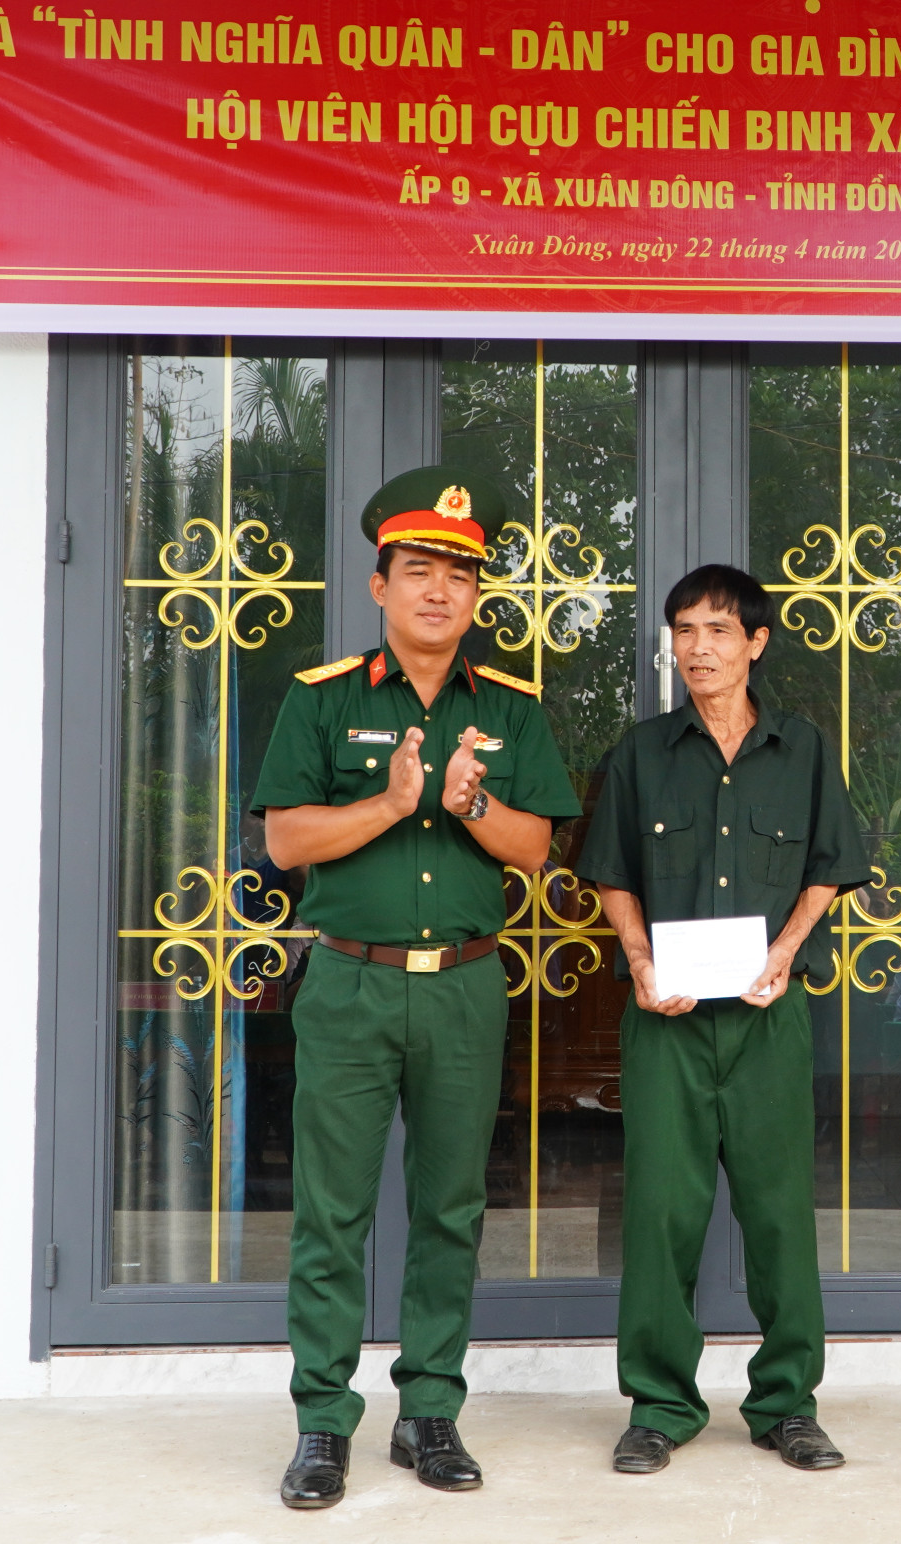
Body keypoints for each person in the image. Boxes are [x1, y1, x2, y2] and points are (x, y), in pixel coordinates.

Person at [247, 467, 580, 1510]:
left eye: (460, 576)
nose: (440, 590)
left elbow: (534, 847)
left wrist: (470, 803)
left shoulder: (510, 708)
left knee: (450, 1207)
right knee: (331, 1212)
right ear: (380, 583)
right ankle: (322, 1420)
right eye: (421, 570)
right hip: (350, 982)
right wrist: (392, 803)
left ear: (477, 596)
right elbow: (287, 839)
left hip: (464, 990)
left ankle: (429, 1410)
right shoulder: (323, 697)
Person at [575, 563, 869, 1476]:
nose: (697, 648)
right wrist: (638, 960)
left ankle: (787, 1405)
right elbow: (612, 872)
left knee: (779, 1214)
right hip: (666, 1023)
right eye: (684, 631)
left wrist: (786, 951)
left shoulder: (803, 749)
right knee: (661, 1213)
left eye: (716, 630)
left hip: (766, 1020)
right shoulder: (641, 754)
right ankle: (659, 1406)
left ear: (755, 643)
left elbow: (830, 865)